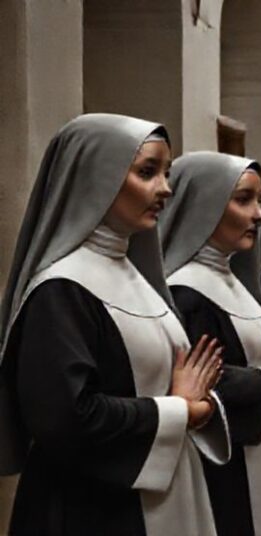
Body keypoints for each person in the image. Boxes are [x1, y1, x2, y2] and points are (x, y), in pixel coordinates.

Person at [0, 114, 228, 535]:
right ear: (94, 177)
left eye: (167, 173)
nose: (166, 189)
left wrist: (195, 403)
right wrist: (180, 410)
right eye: (147, 172)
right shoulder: (61, 290)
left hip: (160, 496)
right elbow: (65, 418)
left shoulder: (134, 275)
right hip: (92, 510)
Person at [160, 151, 261, 535]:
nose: (260, 215)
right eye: (244, 199)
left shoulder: (232, 280)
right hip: (229, 460)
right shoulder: (188, 292)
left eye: (259, 200)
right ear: (205, 203)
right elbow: (208, 382)